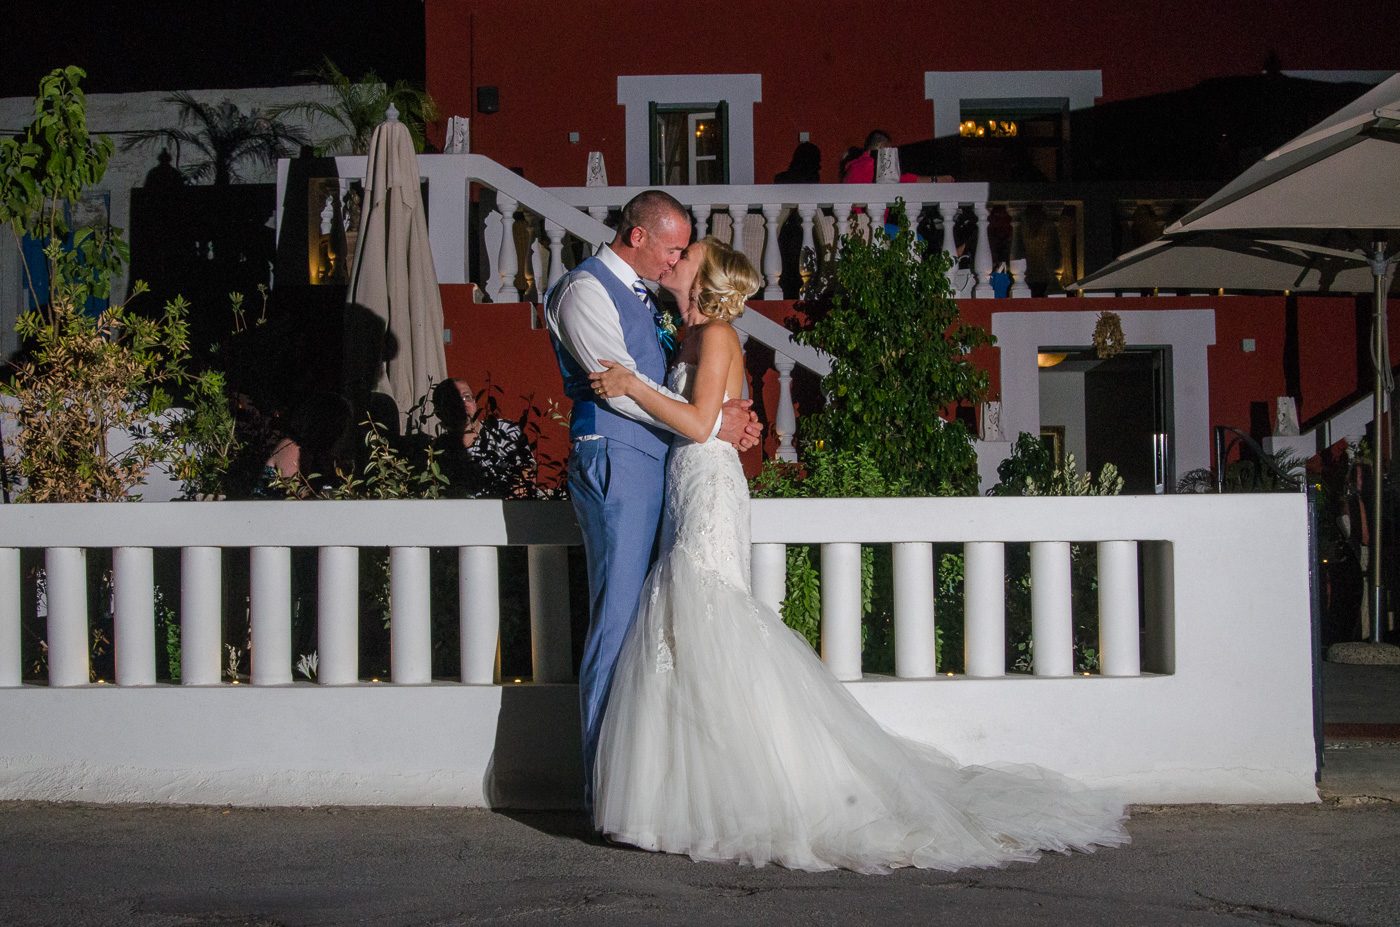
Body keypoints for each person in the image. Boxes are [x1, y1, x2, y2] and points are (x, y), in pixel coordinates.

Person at [587, 239, 1130, 873]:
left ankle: (752, 793)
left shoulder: (717, 338)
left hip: (707, 484)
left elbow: (703, 420)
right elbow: (711, 414)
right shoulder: (688, 339)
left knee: (709, 615)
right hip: (691, 480)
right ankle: (685, 799)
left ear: (702, 277)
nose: (675, 257)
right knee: (686, 630)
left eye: (688, 253)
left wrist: (629, 385)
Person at [543, 190, 762, 812]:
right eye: (672, 247)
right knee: (617, 623)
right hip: (618, 460)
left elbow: (693, 389)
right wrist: (712, 424)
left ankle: (655, 783)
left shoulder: (675, 313)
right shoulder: (584, 290)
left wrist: (722, 421)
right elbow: (614, 390)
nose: (674, 261)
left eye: (682, 254)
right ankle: (602, 788)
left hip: (667, 469)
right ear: (638, 236)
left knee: (659, 626)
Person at [430, 378, 536, 498]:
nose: (463, 404)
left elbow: (525, 474)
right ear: (440, 414)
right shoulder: (439, 450)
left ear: (475, 401)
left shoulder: (503, 431)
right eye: (453, 401)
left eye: (467, 397)